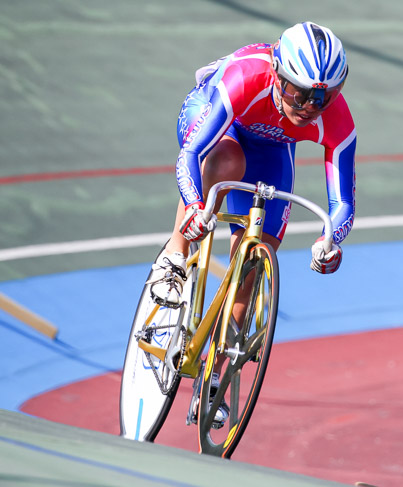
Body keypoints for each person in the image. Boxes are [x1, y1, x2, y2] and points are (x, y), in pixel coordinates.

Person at [148, 22, 357, 426]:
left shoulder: (338, 119)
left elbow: (343, 202)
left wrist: (331, 239)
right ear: (279, 76)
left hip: (271, 147)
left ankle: (215, 373)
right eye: (300, 92)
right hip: (215, 120)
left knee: (256, 260)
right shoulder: (247, 77)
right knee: (227, 162)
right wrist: (194, 205)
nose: (311, 106)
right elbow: (190, 156)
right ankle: (174, 256)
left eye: (324, 97)